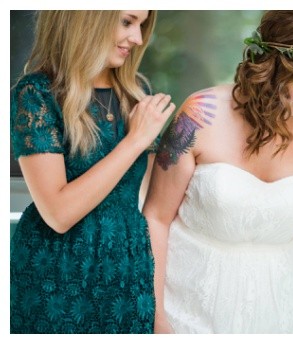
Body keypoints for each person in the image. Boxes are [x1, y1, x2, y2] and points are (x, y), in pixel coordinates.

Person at [142, 10, 293, 333]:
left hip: (283, 311)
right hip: (189, 309)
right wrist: (157, 318)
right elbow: (156, 217)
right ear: (270, 69)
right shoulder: (200, 115)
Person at [9, 10, 172, 333]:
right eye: (127, 22)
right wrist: (135, 140)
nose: (137, 38)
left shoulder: (135, 92)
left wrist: (158, 309)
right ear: (87, 18)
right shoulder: (36, 94)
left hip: (128, 271)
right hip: (57, 274)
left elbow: (156, 205)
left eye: (142, 25)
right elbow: (58, 213)